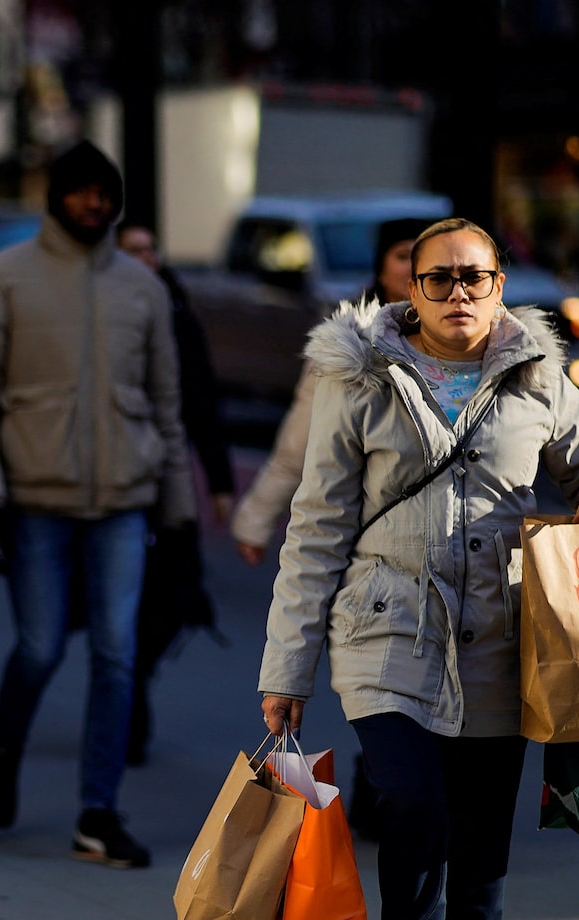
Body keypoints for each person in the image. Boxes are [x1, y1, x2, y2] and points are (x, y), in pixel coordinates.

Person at [255, 218, 579, 920]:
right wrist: (287, 668)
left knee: (480, 836)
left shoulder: (536, 371)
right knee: (412, 802)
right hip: (386, 630)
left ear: (500, 286)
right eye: (438, 278)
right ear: (412, 288)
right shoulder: (359, 377)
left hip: (502, 640)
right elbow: (316, 527)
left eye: (474, 276)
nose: (458, 291)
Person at [0, 139, 195, 868]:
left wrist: (177, 515)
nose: (93, 204)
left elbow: (166, 408)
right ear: (55, 197)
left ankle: (98, 810)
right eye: (80, 191)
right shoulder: (2, 280)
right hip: (32, 501)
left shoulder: (142, 289)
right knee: (41, 646)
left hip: (124, 503)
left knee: (117, 657)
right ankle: (6, 740)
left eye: (104, 193)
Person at [232, 215, 435, 838]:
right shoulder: (345, 349)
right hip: (362, 559)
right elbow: (300, 445)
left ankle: (390, 782)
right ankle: (383, 777)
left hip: (447, 568)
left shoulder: (473, 347)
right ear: (382, 269)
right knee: (380, 689)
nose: (423, 274)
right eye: (407, 258)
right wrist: (256, 514)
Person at [113, 221, 236, 766]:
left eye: (149, 248)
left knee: (179, 597)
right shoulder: (102, 315)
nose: (145, 258)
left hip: (168, 481)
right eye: (131, 250)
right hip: (112, 483)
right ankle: (125, 713)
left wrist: (221, 482)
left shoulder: (178, 313)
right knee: (121, 608)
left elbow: (203, 401)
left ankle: (131, 678)